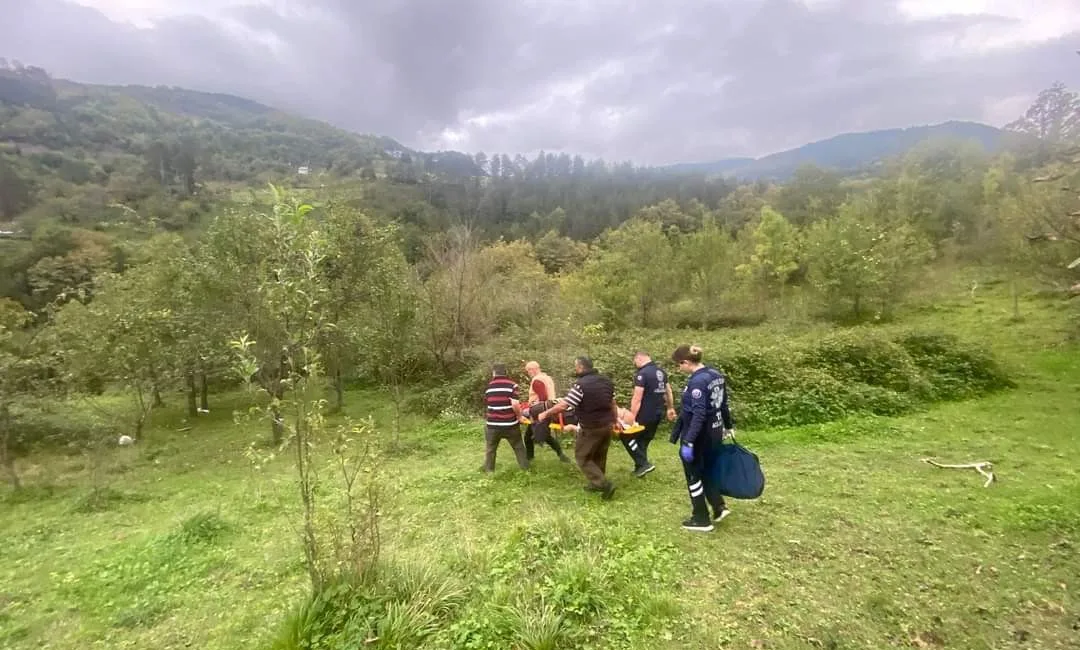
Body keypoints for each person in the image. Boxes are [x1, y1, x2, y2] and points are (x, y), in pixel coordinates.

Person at [670, 344, 734, 532]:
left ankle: (700, 518)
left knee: (693, 475)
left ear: (686, 362)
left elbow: (699, 415)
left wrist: (689, 441)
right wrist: (728, 425)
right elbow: (723, 404)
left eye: (678, 365)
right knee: (707, 469)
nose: (678, 369)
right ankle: (719, 506)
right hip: (714, 432)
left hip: (699, 436)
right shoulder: (716, 375)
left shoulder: (697, 382)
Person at [539, 356, 617, 499]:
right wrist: (616, 420)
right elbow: (612, 403)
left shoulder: (581, 384)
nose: (575, 369)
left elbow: (565, 405)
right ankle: (596, 483)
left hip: (591, 426)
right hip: (607, 425)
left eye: (576, 367)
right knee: (599, 454)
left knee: (582, 456)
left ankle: (604, 484)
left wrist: (546, 413)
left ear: (581, 367)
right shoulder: (606, 381)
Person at [623, 350, 676, 477]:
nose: (635, 364)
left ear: (639, 358)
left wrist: (631, 417)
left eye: (635, 361)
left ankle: (644, 464)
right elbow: (668, 392)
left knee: (626, 436)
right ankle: (640, 468)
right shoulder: (661, 372)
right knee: (643, 440)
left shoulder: (642, 374)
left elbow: (637, 398)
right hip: (657, 413)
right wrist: (670, 408)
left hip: (644, 414)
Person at [481, 362, 529, 473]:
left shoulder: (488, 387)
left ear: (494, 373)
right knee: (518, 447)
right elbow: (515, 404)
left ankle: (489, 472)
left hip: (492, 425)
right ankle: (526, 470)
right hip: (510, 424)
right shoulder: (512, 385)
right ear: (505, 372)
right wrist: (520, 416)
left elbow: (488, 404)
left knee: (490, 449)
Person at [524, 361, 571, 463]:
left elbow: (543, 397)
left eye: (528, 371)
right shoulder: (547, 378)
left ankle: (529, 458)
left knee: (535, 435)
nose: (528, 373)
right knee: (542, 434)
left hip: (539, 410)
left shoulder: (537, 380)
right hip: (549, 408)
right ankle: (561, 455)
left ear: (533, 369)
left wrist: (534, 410)